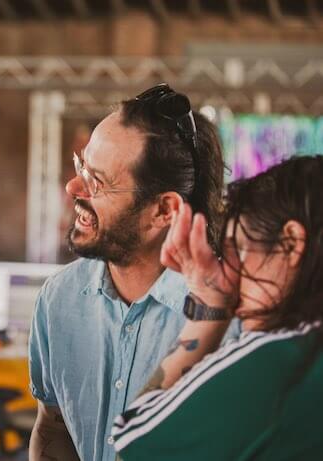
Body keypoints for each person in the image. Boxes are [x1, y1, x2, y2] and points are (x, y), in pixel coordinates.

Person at [28, 83, 229, 461]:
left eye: (97, 182)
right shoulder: (59, 299)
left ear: (163, 210)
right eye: (81, 167)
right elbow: (52, 428)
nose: (73, 187)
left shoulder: (228, 321)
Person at [113, 156, 323, 460]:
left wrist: (207, 306)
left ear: (290, 244)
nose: (231, 278)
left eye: (238, 251)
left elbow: (133, 450)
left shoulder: (282, 361)